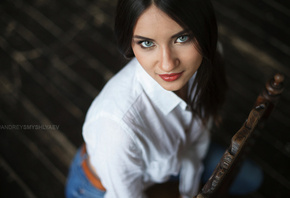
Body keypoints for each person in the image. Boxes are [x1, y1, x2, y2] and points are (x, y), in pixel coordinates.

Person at [65, 0, 263, 197]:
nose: (167, 65)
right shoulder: (117, 128)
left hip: (181, 159)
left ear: (205, 31)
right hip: (105, 190)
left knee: (252, 179)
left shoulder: (209, 57)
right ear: (129, 44)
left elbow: (198, 141)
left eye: (182, 38)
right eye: (147, 43)